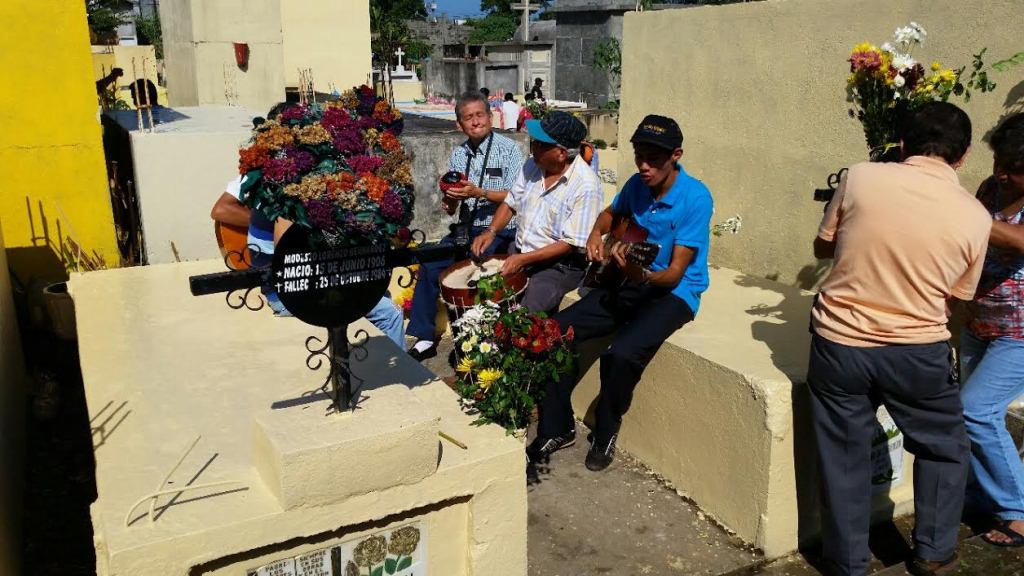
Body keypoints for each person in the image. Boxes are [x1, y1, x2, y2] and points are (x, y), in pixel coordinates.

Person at [807, 102, 991, 576]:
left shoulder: (863, 177)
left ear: (902, 144)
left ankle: (848, 564)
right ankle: (932, 552)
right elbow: (957, 299)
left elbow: (822, 246)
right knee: (945, 447)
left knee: (844, 457)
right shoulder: (975, 216)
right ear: (964, 156)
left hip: (840, 344)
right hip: (917, 352)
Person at [527, 115, 712, 472]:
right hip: (629, 280)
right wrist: (596, 235)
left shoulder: (695, 198)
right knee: (554, 333)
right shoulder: (636, 185)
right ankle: (558, 426)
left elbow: (674, 274)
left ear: (676, 155)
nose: (644, 166)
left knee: (622, 354)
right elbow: (611, 216)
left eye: (653, 160)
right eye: (639, 156)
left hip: (673, 294)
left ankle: (605, 430)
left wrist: (638, 275)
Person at [210, 105, 406, 347]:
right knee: (390, 313)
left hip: (290, 281)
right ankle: (396, 376)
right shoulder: (288, 189)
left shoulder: (270, 179)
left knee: (374, 292)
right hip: (292, 291)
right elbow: (290, 261)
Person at [406, 92, 525, 361]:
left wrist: (479, 193)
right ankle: (425, 337)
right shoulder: (460, 153)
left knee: (476, 264)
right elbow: (452, 205)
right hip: (465, 230)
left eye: (479, 115)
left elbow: (515, 196)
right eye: (468, 118)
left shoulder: (508, 150)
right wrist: (449, 199)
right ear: (459, 124)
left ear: (490, 117)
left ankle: (480, 341)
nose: (475, 122)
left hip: (500, 229)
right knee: (430, 262)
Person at [960, 112, 1024, 548]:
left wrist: (956, 216)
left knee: (975, 410)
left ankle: (1018, 510)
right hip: (979, 319)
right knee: (970, 416)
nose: (1001, 172)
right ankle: (985, 495)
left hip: (1019, 332)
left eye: (1013, 168)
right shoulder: (989, 187)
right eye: (999, 161)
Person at [471, 110, 602, 314]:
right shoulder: (533, 165)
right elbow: (510, 203)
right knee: (485, 293)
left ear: (561, 152)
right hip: (521, 252)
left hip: (558, 267)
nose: (534, 149)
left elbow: (569, 244)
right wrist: (491, 231)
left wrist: (523, 260)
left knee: (525, 316)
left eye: (540, 144)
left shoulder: (586, 186)